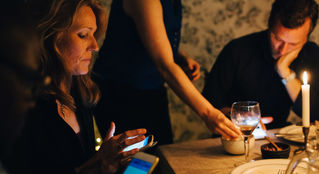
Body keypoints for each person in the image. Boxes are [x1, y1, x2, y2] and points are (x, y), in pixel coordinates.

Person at [0, 2, 148, 174]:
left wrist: (105, 162)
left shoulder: (81, 93)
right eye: (83, 35)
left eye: (94, 34)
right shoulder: (27, 112)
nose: (95, 45)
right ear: (49, 39)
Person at [92, 0, 240, 144]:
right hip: (120, 93)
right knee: (135, 161)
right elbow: (164, 66)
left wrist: (178, 56)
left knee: (158, 153)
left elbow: (153, 37)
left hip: (150, 88)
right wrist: (209, 113)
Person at [202, 0, 319, 129]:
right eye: (277, 39)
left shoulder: (314, 54)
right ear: (269, 26)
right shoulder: (237, 50)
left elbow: (318, 112)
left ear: (307, 37)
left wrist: (285, 72)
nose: (283, 50)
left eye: (293, 44)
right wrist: (240, 117)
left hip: (279, 136)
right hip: (236, 135)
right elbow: (209, 104)